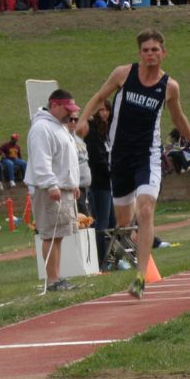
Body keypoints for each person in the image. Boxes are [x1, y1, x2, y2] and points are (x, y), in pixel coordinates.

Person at [77, 28, 190, 299]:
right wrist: (82, 120)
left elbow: (178, 119)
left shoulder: (169, 87)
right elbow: (100, 97)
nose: (150, 54)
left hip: (147, 155)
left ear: (163, 53)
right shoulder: (123, 74)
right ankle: (136, 229)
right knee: (124, 222)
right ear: (140, 54)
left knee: (146, 211)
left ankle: (140, 275)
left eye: (155, 50)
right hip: (120, 156)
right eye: (146, 50)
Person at [24, 89, 81, 292]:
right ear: (54, 105)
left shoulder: (59, 127)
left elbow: (65, 159)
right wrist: (50, 184)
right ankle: (52, 279)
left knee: (59, 234)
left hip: (62, 187)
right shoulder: (42, 128)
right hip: (50, 189)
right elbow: (42, 160)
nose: (70, 114)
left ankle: (56, 276)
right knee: (50, 234)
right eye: (67, 109)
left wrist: (73, 183)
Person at [84, 99, 115, 266]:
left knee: (112, 224)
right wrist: (112, 172)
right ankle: (101, 260)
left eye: (107, 110)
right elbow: (97, 159)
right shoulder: (92, 132)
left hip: (109, 183)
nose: (105, 113)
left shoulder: (106, 131)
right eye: (101, 110)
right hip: (99, 183)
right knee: (102, 223)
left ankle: (111, 258)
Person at [67, 109, 91, 215]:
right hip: (75, 186)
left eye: (76, 119)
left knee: (85, 215)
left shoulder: (78, 139)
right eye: (70, 119)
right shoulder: (65, 138)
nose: (73, 122)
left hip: (85, 186)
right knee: (83, 216)